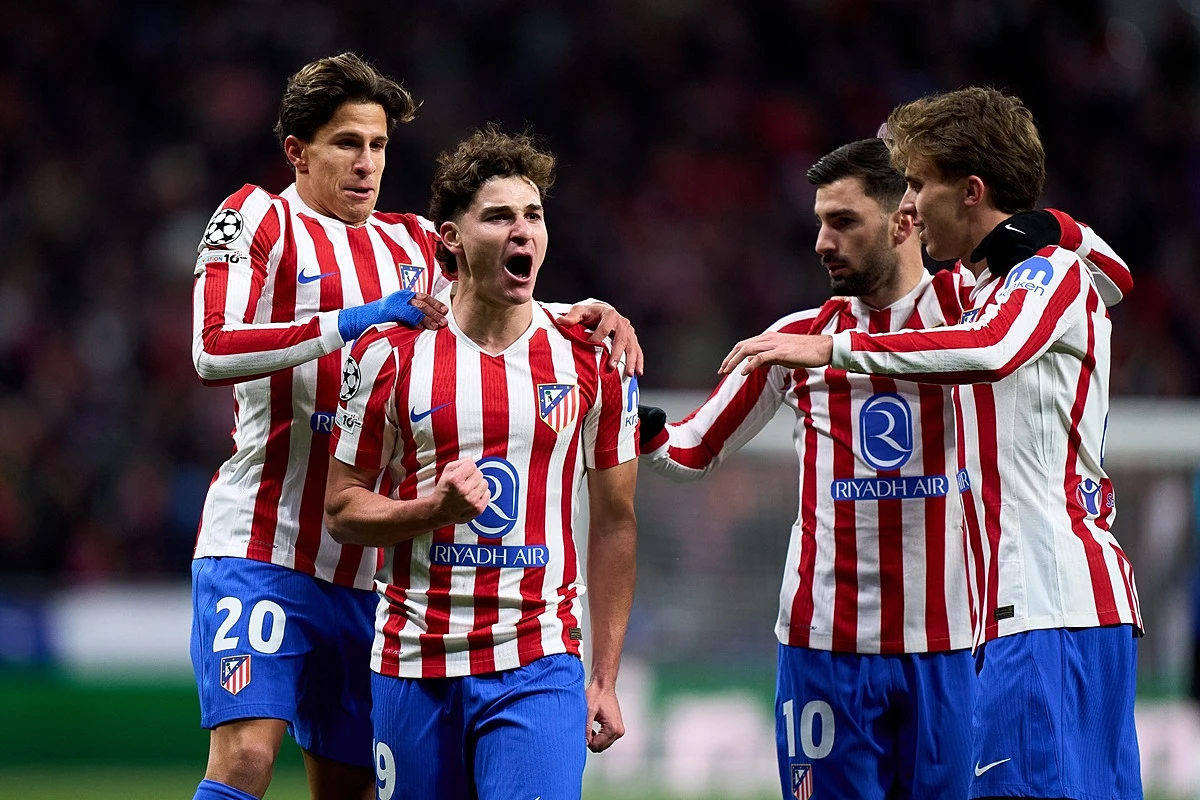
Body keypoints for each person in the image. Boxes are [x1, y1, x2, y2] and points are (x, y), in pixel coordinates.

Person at [190, 54, 641, 800]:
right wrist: (353, 320)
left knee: (347, 787)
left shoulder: (409, 240)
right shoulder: (255, 217)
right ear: (297, 151)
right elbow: (211, 348)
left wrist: (582, 314)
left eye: (378, 145)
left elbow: (490, 292)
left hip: (374, 568)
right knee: (244, 760)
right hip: (265, 542)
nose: (367, 164)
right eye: (347, 144)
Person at [639, 137, 1128, 799]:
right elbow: (689, 450)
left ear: (904, 221)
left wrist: (1055, 226)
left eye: (843, 221)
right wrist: (627, 416)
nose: (822, 242)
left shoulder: (975, 312)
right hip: (824, 643)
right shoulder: (796, 338)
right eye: (820, 222)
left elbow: (1108, 281)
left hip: (952, 644)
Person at [324, 126, 639, 800]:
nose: (522, 231)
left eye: (534, 215)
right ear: (452, 238)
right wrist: (430, 510)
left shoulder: (594, 356)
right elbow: (342, 510)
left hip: (537, 659)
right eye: (498, 217)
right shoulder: (387, 354)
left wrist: (605, 676)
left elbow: (616, 522)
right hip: (413, 658)